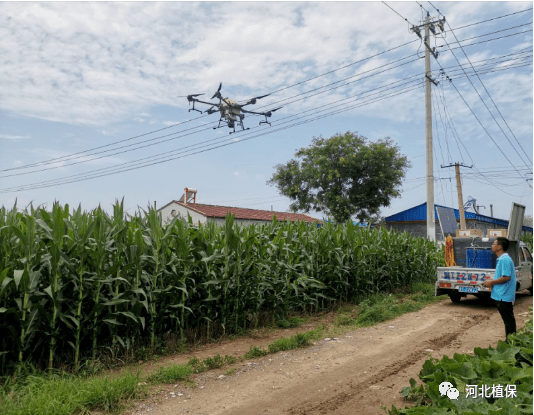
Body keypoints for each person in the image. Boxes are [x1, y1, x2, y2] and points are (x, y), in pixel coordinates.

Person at [482, 237, 517, 342]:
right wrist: (491, 281)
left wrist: (492, 282)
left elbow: (506, 277)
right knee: (508, 320)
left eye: (494, 243)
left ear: (499, 247)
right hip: (502, 295)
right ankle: (511, 341)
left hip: (503, 296)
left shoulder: (505, 259)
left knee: (508, 321)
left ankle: (511, 343)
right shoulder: (502, 259)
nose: (492, 245)